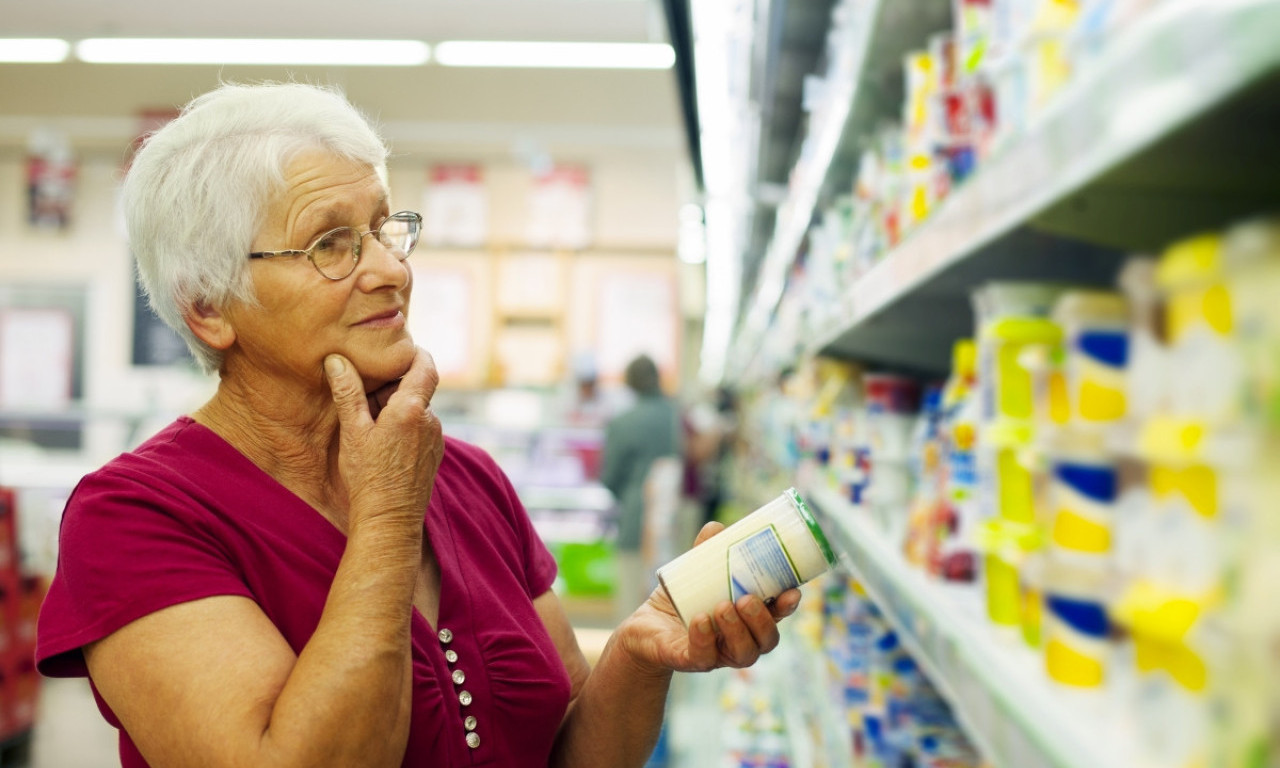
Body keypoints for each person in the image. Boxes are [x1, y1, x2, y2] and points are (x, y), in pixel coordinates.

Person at [34, 82, 800, 768]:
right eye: (331, 244)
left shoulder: (466, 477)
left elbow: (563, 751)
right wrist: (389, 512)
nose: (390, 270)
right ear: (208, 307)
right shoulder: (136, 517)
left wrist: (638, 654)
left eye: (383, 228)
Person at [600, 354, 685, 625]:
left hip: (636, 523)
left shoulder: (623, 423)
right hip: (678, 524)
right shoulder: (679, 416)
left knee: (632, 613)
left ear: (630, 383)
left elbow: (609, 478)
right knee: (674, 611)